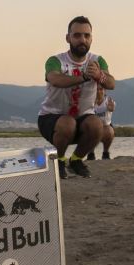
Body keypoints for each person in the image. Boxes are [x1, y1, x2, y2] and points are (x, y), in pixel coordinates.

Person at [37, 17, 114, 179]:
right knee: (68, 123)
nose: (82, 40)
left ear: (91, 38)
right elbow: (56, 79)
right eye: (77, 35)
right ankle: (59, 160)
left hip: (82, 118)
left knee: (97, 125)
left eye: (87, 36)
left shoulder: (97, 60)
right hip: (51, 117)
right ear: (68, 38)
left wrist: (99, 75)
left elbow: (111, 83)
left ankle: (76, 160)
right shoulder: (55, 61)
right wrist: (85, 77)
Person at [86, 89, 116, 161]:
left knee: (109, 131)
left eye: (100, 89)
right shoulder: (89, 102)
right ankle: (91, 154)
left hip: (106, 127)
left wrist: (111, 108)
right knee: (88, 129)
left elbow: (111, 108)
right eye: (96, 89)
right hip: (93, 128)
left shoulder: (108, 101)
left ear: (104, 91)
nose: (98, 92)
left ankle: (105, 153)